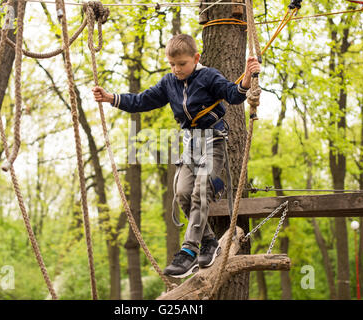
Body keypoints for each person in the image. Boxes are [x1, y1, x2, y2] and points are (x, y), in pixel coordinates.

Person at [93, 34, 260, 278]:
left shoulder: (208, 76)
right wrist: (112, 98)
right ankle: (209, 242)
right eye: (172, 64)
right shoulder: (168, 83)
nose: (177, 69)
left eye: (182, 64)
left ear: (195, 58)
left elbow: (233, 94)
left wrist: (246, 79)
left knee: (201, 189)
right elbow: (142, 100)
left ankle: (189, 251)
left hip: (212, 142)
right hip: (190, 146)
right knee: (183, 194)